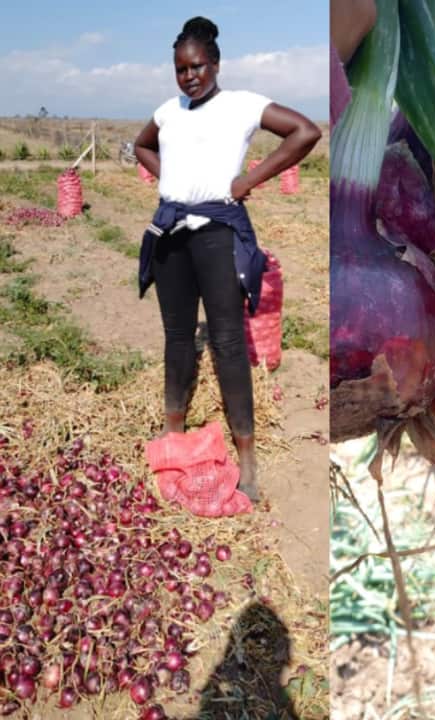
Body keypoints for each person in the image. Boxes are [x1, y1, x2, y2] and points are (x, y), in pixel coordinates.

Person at [132, 17, 321, 502]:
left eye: (196, 66)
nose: (189, 76)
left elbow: (304, 131)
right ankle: (173, 437)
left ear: (215, 64)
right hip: (172, 233)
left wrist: (246, 182)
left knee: (228, 342)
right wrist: (168, 179)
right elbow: (141, 145)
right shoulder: (169, 111)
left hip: (218, 234)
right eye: (180, 69)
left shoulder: (242, 106)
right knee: (177, 337)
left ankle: (248, 459)